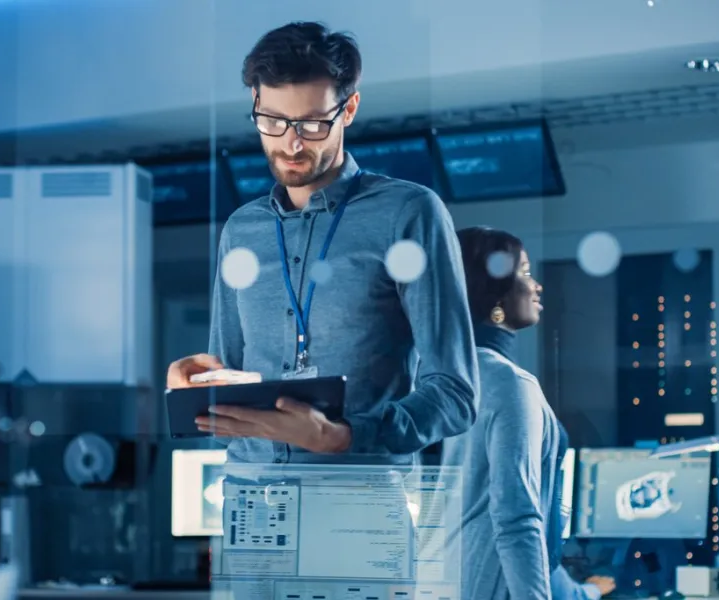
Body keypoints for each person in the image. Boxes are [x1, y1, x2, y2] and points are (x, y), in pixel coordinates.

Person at [166, 22, 477, 465]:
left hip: (359, 504)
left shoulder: (408, 213)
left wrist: (344, 435)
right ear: (256, 103)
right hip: (252, 503)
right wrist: (197, 386)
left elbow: (455, 393)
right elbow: (229, 392)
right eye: (273, 121)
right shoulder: (241, 230)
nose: (290, 143)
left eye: (312, 124)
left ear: (348, 109)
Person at [444, 227, 614, 599]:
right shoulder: (509, 383)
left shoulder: (442, 376)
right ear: (496, 291)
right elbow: (517, 520)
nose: (536, 286)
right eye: (523, 272)